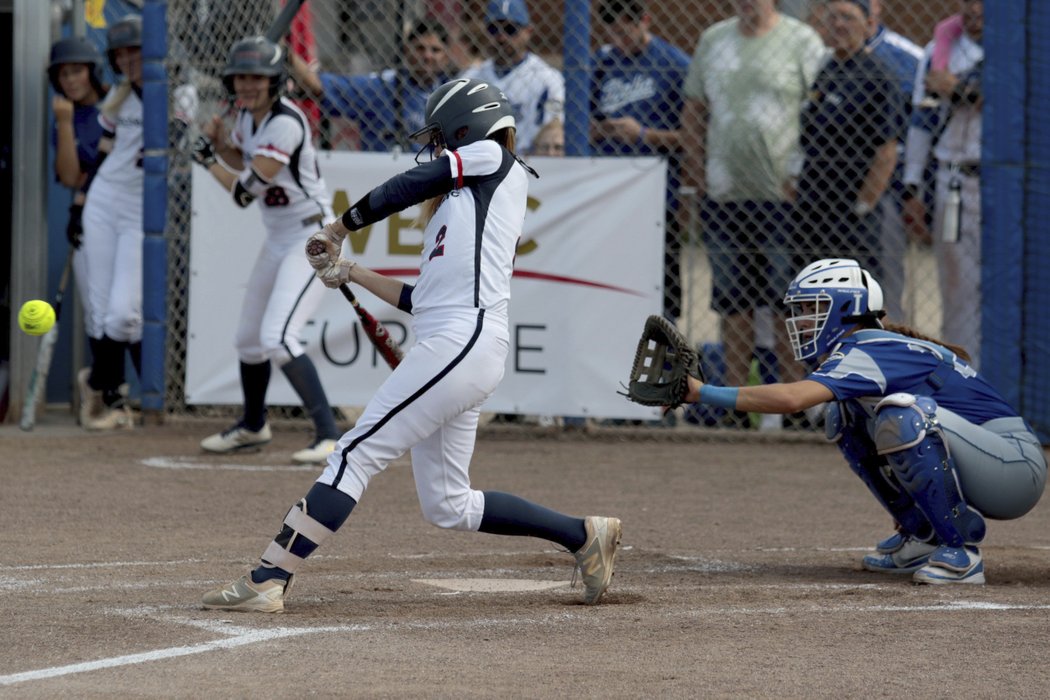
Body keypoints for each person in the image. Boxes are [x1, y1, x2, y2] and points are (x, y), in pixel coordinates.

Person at [201, 78, 621, 613]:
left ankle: (268, 577)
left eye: (443, 135)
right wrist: (349, 270)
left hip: (462, 343)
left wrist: (340, 225)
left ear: (467, 127)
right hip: (459, 342)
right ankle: (583, 535)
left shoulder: (493, 156)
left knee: (353, 452)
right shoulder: (463, 207)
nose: (438, 147)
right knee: (448, 504)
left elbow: (417, 180)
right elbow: (423, 298)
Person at [682, 258, 1046, 584]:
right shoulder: (866, 346)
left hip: (1014, 468)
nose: (801, 320)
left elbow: (792, 399)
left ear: (847, 308)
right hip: (991, 458)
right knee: (844, 413)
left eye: (813, 308)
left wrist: (702, 392)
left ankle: (959, 552)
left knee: (905, 414)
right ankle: (923, 535)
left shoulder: (870, 348)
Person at [191, 36, 342, 465]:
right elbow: (243, 161)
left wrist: (206, 161)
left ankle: (330, 435)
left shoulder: (286, 123)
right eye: (242, 76)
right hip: (278, 237)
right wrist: (221, 147)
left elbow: (243, 192)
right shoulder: (246, 119)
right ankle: (254, 425)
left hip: (311, 239)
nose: (248, 84)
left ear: (275, 81)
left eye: (258, 77)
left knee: (278, 338)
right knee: (247, 340)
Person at [681, 0, 825, 428]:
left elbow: (820, 112)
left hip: (783, 197)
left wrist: (802, 175)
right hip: (724, 195)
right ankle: (734, 407)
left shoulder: (801, 41)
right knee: (734, 306)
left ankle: (794, 407)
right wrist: (696, 172)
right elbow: (694, 109)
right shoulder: (713, 40)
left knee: (787, 306)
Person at [792, 0, 904, 296]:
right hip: (813, 209)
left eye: (849, 18)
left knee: (856, 299)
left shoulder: (879, 76)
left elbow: (886, 151)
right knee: (814, 296)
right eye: (833, 18)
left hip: (852, 216)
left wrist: (863, 205)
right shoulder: (827, 70)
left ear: (869, 25)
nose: (839, 25)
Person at [591, 0, 690, 323]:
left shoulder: (673, 64)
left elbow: (691, 136)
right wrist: (602, 130)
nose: (620, 35)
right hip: (610, 189)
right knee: (611, 276)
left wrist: (643, 133)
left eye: (626, 26)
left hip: (657, 194)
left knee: (662, 282)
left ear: (644, 20)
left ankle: (668, 348)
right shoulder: (601, 64)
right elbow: (581, 124)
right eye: (613, 28)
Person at [902, 1, 984, 367]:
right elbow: (922, 119)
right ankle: (963, 378)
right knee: (957, 290)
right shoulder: (941, 47)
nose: (974, 8)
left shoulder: (1022, 45)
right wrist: (912, 185)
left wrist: (959, 88)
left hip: (1008, 183)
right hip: (954, 178)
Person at [76, 15, 147, 431]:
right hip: (104, 201)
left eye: (134, 50)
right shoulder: (121, 97)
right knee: (102, 314)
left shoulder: (178, 95)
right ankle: (110, 402)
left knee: (123, 316)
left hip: (141, 211)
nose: (128, 59)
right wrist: (79, 203)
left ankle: (96, 382)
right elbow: (102, 152)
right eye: (121, 53)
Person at [47, 36, 111, 401]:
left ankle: (107, 385)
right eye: (64, 75)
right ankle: (106, 391)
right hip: (89, 217)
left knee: (124, 311)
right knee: (98, 311)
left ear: (93, 72)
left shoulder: (115, 106)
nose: (70, 80)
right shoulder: (66, 118)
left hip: (124, 216)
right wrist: (66, 124)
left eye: (77, 72)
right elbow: (71, 177)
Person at [287, 18, 456, 152]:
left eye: (435, 50)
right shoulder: (382, 87)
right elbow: (319, 85)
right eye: (420, 48)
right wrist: (283, 52)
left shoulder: (453, 95)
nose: (427, 56)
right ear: (406, 50)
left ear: (446, 56)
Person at [865, 0, 924, 323]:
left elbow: (923, 126)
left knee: (885, 284)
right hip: (835, 190)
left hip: (890, 190)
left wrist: (915, 191)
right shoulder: (824, 54)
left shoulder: (908, 57)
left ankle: (892, 358)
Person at [459, 0, 564, 154]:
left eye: (510, 29)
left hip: (531, 162)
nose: (501, 37)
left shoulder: (548, 78)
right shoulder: (471, 78)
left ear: (528, 31)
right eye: (494, 29)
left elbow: (553, 129)